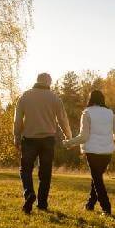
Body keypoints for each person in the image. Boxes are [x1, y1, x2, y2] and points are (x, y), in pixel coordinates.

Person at [14, 73, 72, 214]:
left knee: (25, 169)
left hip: (29, 139)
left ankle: (29, 194)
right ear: (48, 82)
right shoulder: (54, 98)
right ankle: (42, 204)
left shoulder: (25, 96)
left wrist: (16, 136)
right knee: (45, 173)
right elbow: (62, 119)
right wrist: (68, 136)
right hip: (48, 140)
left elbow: (18, 119)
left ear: (37, 80)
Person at [63, 90, 115, 215]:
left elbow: (84, 137)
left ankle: (106, 208)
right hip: (107, 153)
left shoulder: (87, 113)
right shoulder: (110, 113)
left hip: (92, 152)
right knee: (96, 178)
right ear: (102, 100)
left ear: (90, 99)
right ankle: (90, 204)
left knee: (97, 180)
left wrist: (69, 143)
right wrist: (109, 137)